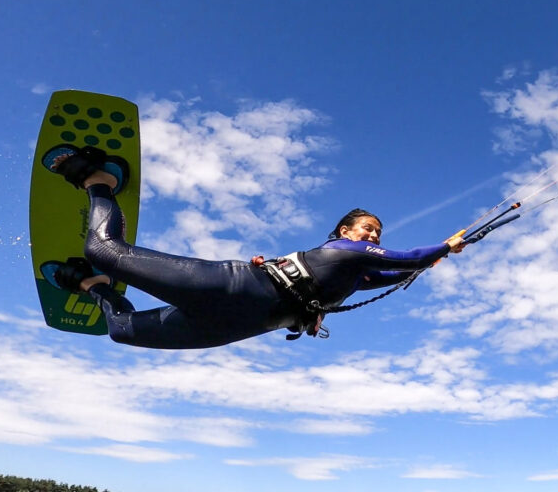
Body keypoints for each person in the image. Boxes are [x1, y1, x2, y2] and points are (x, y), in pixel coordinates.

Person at [40, 145, 464, 349]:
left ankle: (95, 287)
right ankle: (100, 181)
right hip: (231, 288)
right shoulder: (343, 250)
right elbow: (409, 258)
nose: (373, 237)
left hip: (234, 326)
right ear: (345, 230)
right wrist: (444, 247)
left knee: (120, 331)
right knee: (103, 249)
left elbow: (398, 272)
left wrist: (427, 264)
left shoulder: (357, 275)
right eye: (368, 229)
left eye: (378, 233)